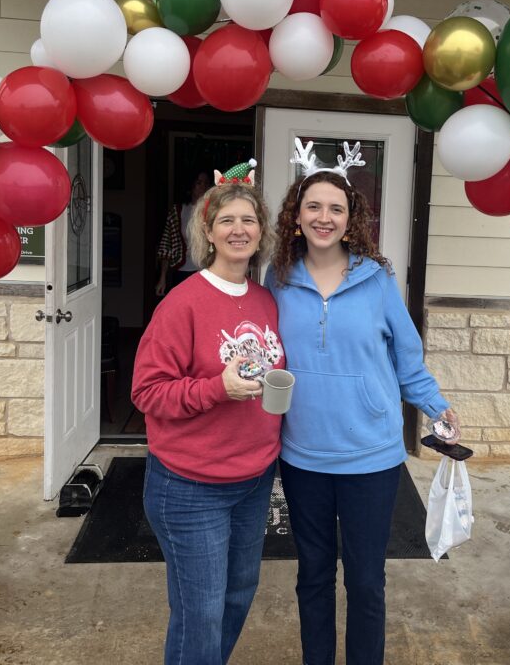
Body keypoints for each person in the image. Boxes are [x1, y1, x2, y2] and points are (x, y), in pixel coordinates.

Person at [266, 139, 461, 665]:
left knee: (366, 582)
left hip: (371, 458)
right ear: (296, 216)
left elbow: (407, 359)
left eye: (336, 208)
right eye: (313, 207)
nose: (324, 217)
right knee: (312, 576)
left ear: (351, 220)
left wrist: (437, 406)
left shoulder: (377, 282)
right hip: (303, 452)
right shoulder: (278, 279)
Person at [132, 161, 284, 665]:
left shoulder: (265, 300)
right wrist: (215, 389)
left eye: (248, 220)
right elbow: (148, 392)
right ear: (208, 230)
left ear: (262, 231)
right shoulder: (183, 303)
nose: (239, 230)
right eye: (227, 221)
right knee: (200, 614)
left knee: (237, 596)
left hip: (254, 477)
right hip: (190, 487)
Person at [155, 169, 212, 295]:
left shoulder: (214, 212)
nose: (203, 186)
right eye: (199, 183)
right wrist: (162, 277)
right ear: (191, 186)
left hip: (207, 272)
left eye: (206, 183)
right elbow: (166, 245)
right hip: (182, 271)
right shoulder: (179, 211)